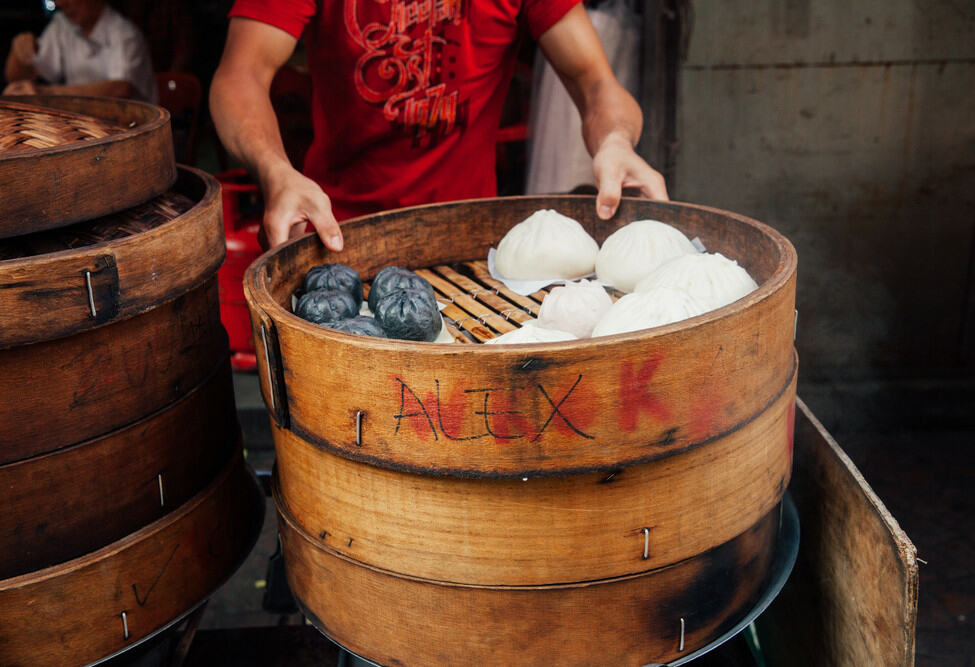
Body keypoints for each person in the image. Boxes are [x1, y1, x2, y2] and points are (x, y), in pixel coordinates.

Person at [210, 0, 669, 251]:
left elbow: (595, 81)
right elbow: (240, 74)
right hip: (337, 238)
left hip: (470, 243)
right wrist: (276, 170)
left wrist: (614, 142)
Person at [3, 0, 157, 103]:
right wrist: (18, 53)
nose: (60, 3)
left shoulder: (125, 33)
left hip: (132, 132)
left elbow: (121, 90)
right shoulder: (62, 24)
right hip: (84, 129)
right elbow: (18, 78)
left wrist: (45, 93)